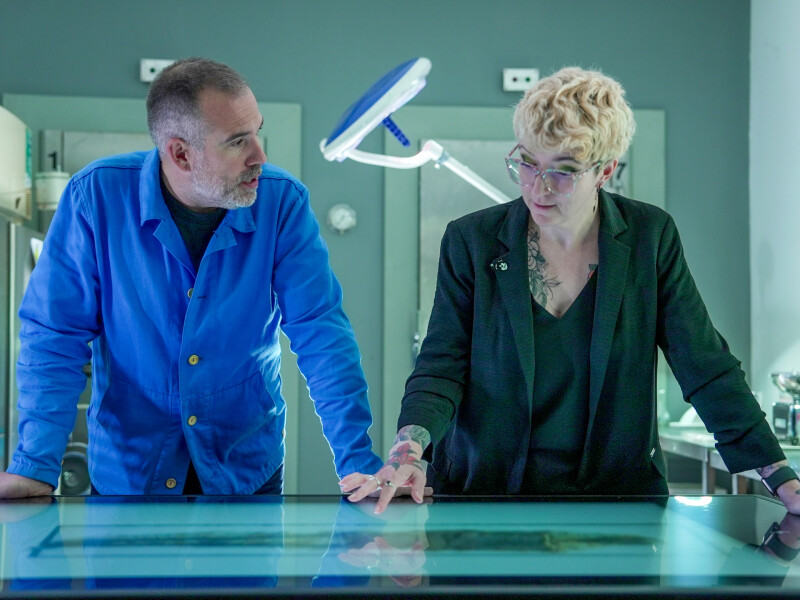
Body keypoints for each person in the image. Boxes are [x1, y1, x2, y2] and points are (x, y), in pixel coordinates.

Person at [341, 66, 800, 515]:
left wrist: (780, 476)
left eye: (563, 171)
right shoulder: (472, 241)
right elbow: (442, 366)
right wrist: (407, 454)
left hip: (616, 502)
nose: (538, 188)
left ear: (605, 171)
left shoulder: (649, 237)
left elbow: (704, 364)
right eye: (526, 163)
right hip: (485, 495)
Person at [0, 57, 384, 496]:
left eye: (256, 132)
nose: (260, 156)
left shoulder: (282, 203)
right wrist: (35, 465)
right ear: (180, 153)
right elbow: (55, 337)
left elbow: (321, 332)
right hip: (130, 473)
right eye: (238, 142)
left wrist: (358, 462)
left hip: (244, 467)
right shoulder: (95, 198)